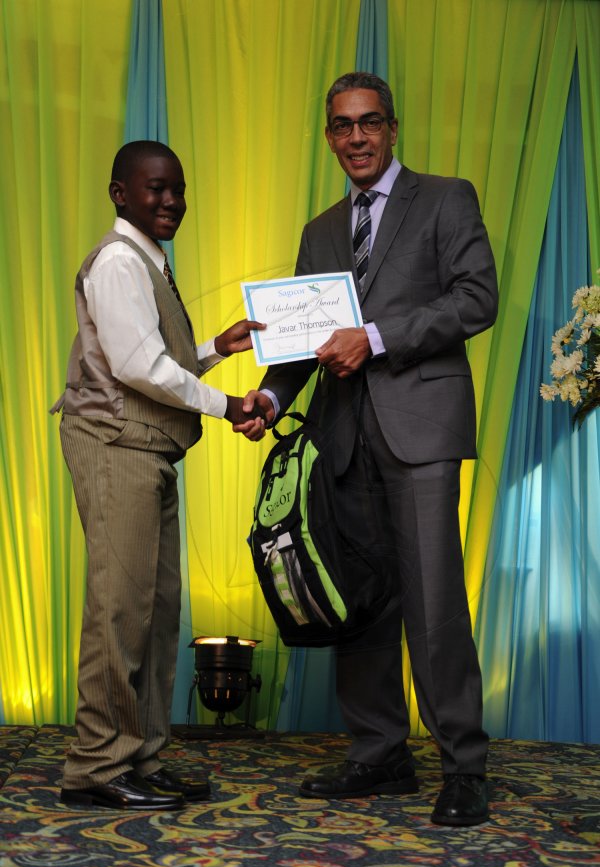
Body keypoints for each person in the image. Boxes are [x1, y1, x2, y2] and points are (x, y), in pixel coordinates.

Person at [238, 73, 498, 826]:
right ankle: (380, 752)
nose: (356, 137)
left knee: (434, 600)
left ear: (392, 128)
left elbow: (476, 296)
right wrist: (272, 398)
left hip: (420, 429)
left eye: (370, 123)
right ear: (328, 136)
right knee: (359, 598)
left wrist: (376, 338)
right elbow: (296, 344)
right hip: (341, 435)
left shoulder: (447, 197)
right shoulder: (322, 228)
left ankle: (464, 766)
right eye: (342, 126)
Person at [52, 140, 265, 811]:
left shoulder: (148, 260)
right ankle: (95, 766)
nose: (170, 200)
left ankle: (138, 756)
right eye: (154, 189)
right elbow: (142, 370)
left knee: (154, 611)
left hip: (145, 448)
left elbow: (151, 357)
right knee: (121, 609)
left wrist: (215, 350)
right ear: (121, 193)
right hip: (116, 445)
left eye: (177, 188)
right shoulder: (119, 261)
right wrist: (231, 404)